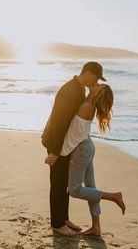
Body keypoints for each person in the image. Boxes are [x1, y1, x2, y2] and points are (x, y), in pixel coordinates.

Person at [46, 84, 126, 236]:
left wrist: (57, 154)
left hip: (82, 149)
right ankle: (96, 227)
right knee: (91, 187)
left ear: (98, 94)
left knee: (75, 190)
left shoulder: (86, 107)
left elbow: (72, 136)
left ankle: (113, 196)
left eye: (98, 86)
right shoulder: (88, 104)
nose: (95, 84)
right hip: (86, 146)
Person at [41, 62, 106, 236]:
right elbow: (60, 122)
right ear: (89, 73)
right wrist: (55, 152)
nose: (96, 81)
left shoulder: (79, 89)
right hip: (57, 142)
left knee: (64, 182)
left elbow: (74, 119)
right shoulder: (70, 90)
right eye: (97, 77)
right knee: (58, 183)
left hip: (63, 142)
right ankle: (57, 223)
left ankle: (63, 218)